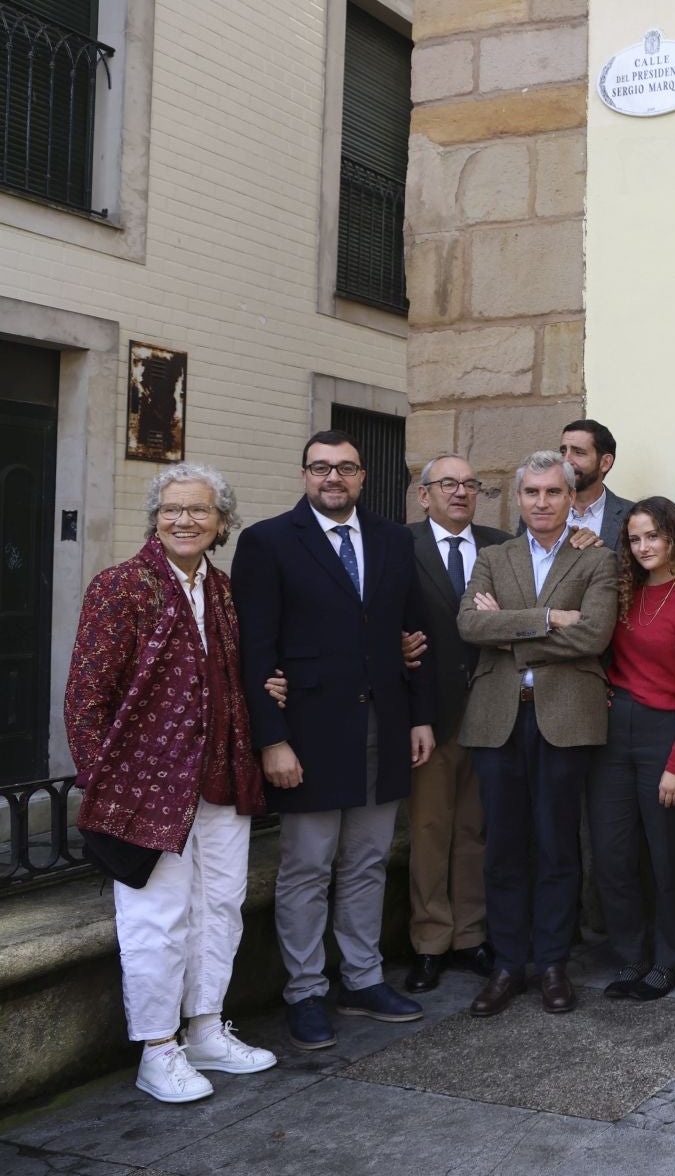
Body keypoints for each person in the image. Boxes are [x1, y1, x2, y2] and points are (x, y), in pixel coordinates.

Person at [67, 464, 274, 1103]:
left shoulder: (227, 592)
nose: (184, 520)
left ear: (221, 524)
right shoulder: (122, 586)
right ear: (156, 517)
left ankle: (207, 1027)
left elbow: (239, 674)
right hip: (149, 792)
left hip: (221, 779)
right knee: (157, 917)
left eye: (199, 511)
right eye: (171, 509)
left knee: (220, 908)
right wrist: (105, 784)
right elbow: (84, 698)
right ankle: (158, 1048)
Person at [231, 430, 434, 1051]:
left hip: (384, 726)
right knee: (307, 868)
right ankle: (304, 991)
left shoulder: (394, 540)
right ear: (303, 476)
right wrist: (272, 739)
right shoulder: (266, 542)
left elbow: (415, 633)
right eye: (321, 468)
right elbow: (254, 650)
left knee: (369, 861)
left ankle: (363, 980)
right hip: (309, 735)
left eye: (345, 468)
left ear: (363, 476)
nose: (333, 478)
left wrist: (420, 717)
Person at [457, 451, 619, 1018]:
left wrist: (511, 628)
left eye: (553, 492)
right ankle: (507, 964)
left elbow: (595, 636)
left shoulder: (596, 560)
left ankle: (552, 961)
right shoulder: (493, 556)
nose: (542, 502)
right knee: (503, 845)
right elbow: (470, 623)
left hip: (566, 717)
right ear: (518, 498)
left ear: (571, 499)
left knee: (557, 844)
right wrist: (551, 619)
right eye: (532, 492)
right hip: (496, 716)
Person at [595, 497, 675, 1001]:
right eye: (635, 538)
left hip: (665, 732)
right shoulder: (623, 592)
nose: (644, 547)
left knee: (667, 854)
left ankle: (671, 957)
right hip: (612, 731)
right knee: (612, 852)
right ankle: (630, 956)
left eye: (653, 536)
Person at [402, 455, 509, 994]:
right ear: (425, 496)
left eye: (471, 483)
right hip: (430, 712)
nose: (461, 492)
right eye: (448, 484)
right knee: (428, 830)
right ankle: (429, 942)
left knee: (475, 830)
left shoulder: (502, 544)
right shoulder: (401, 546)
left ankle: (470, 936)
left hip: (492, 709)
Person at [558, 419, 635, 547]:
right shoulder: (540, 511)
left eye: (578, 452)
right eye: (563, 452)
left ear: (605, 463)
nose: (566, 461)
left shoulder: (632, 516)